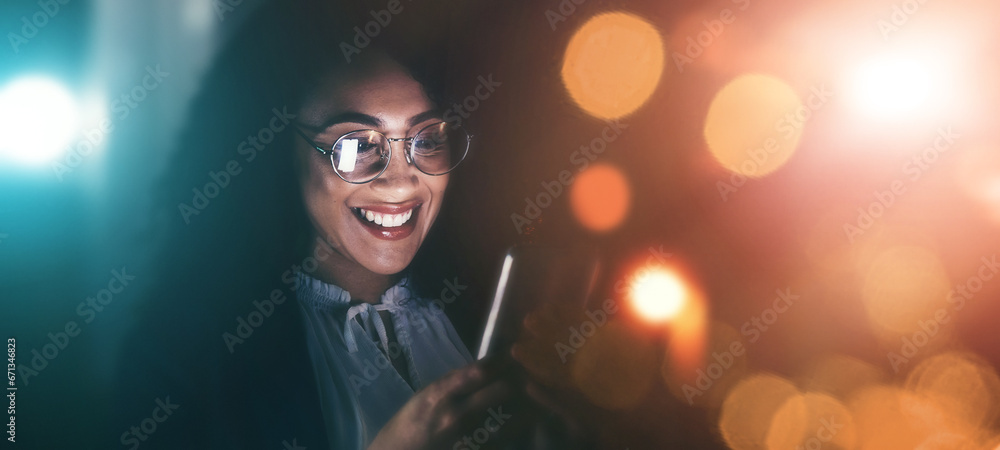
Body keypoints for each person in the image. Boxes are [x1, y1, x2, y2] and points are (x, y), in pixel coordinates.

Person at [114, 1, 580, 449]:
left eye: (427, 139)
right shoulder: (188, 362)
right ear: (275, 154)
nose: (402, 181)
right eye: (356, 145)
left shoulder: (496, 311)